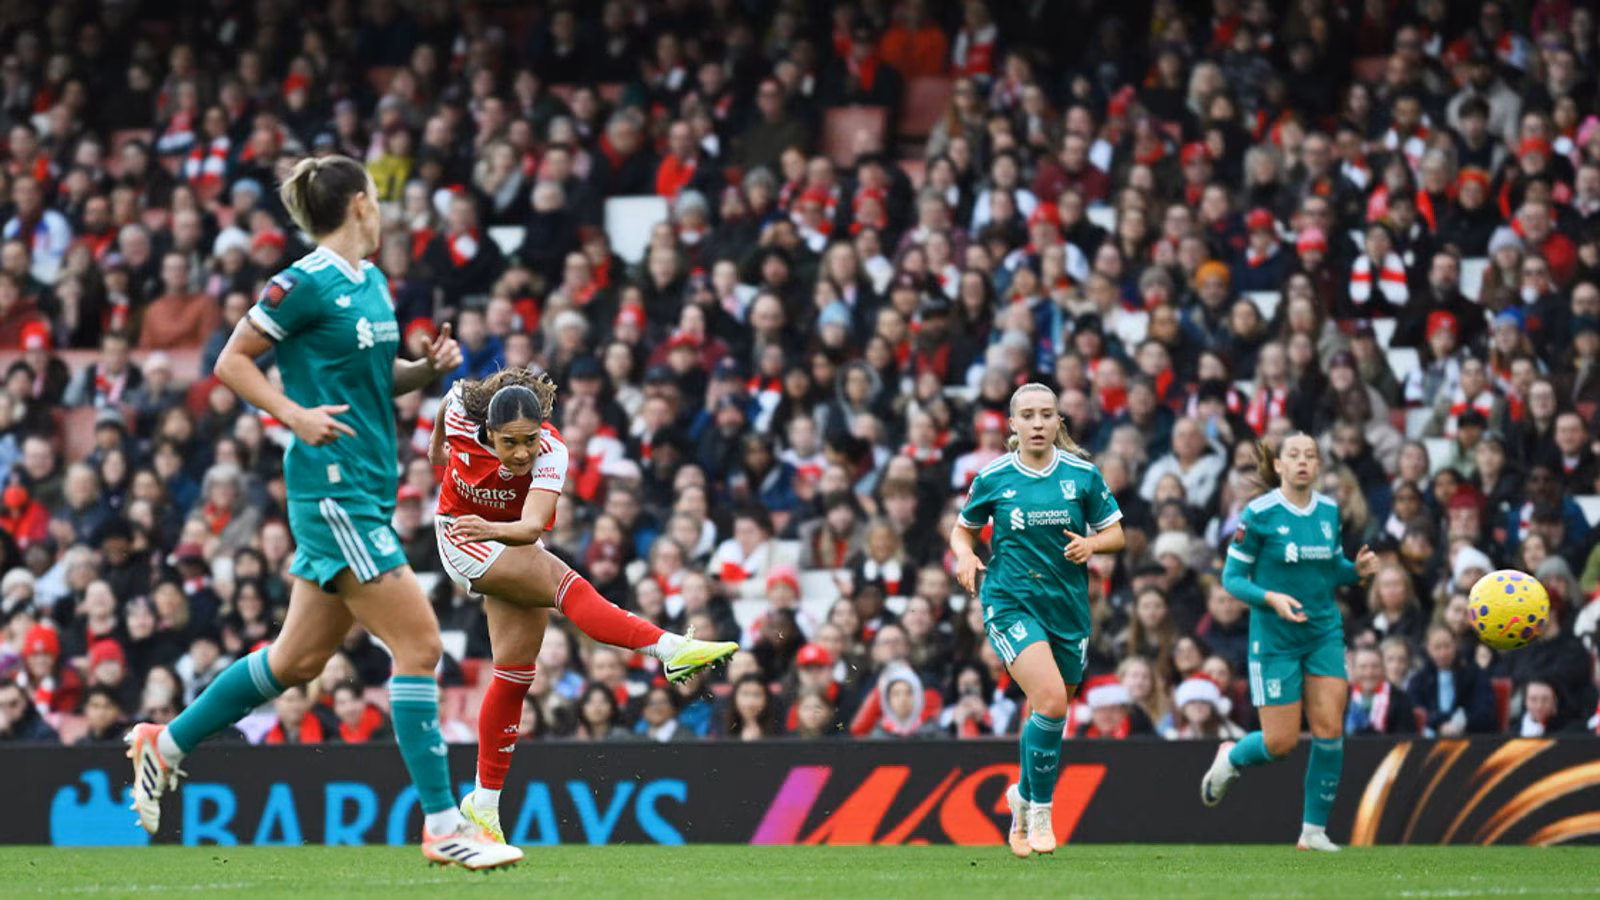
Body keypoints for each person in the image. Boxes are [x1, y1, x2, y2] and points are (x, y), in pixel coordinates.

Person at [120, 155, 521, 869]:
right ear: (363, 203)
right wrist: (292, 414)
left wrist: (426, 371)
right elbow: (232, 361)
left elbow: (372, 380)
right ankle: (442, 825)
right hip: (330, 489)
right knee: (422, 646)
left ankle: (166, 742)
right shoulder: (301, 282)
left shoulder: (371, 284)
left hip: (366, 484)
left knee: (296, 659)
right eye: (380, 198)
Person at [431, 366, 737, 842]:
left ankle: (483, 805)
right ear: (487, 431)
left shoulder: (552, 450)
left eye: (528, 440)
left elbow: (532, 527)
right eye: (509, 442)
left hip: (504, 536)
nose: (521, 453)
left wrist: (490, 527)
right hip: (459, 538)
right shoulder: (460, 418)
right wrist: (436, 452)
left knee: (515, 676)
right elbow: (446, 405)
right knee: (562, 584)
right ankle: (668, 649)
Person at [951, 382, 1125, 858]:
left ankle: (1021, 798)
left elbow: (1116, 534)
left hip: (1066, 609)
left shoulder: (1082, 475)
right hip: (1009, 600)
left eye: (1046, 415)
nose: (1037, 423)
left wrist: (1092, 544)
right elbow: (962, 531)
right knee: (1048, 700)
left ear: (1057, 423)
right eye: (1027, 415)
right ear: (1012, 424)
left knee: (1052, 710)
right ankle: (1043, 812)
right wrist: (965, 557)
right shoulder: (994, 476)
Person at [1203, 433, 1379, 852]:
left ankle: (1313, 832)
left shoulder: (1330, 511)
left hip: (1323, 632)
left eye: (1311, 456)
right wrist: (1271, 599)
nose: (1303, 462)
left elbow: (1329, 567)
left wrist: (1356, 570)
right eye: (1294, 455)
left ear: (1318, 467)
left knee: (1330, 728)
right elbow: (1232, 580)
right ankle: (1231, 756)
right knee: (1279, 743)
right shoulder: (1259, 514)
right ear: (1279, 465)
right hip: (1276, 639)